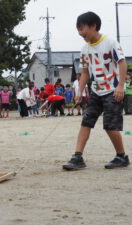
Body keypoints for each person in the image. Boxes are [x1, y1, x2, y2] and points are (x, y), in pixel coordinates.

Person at [63, 11, 129, 171]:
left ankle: (121, 156)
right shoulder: (85, 49)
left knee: (110, 125)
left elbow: (122, 63)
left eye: (82, 28)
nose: (80, 33)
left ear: (93, 26)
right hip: (96, 91)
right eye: (78, 29)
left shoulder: (110, 42)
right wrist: (79, 91)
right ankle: (77, 157)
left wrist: (120, 86)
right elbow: (85, 73)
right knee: (86, 121)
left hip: (113, 90)